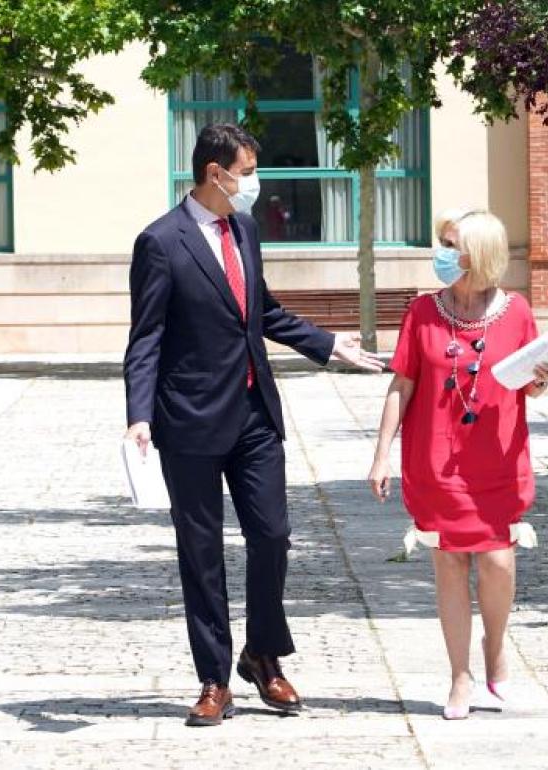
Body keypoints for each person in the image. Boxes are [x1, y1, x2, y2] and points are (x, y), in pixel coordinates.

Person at [124, 123, 383, 727]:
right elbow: (147, 337)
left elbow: (259, 310)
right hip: (188, 421)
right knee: (202, 551)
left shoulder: (242, 228)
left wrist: (328, 344)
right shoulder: (160, 242)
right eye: (245, 171)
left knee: (272, 535)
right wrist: (139, 414)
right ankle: (214, 678)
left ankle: (262, 654)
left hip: (254, 414)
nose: (253, 184)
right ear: (216, 174)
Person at [367, 209, 548, 720]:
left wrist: (542, 379)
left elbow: (531, 386)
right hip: (435, 463)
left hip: (497, 460)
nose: (443, 252)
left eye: (452, 244)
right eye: (443, 243)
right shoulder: (422, 312)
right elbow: (401, 384)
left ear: (482, 254)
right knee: (449, 565)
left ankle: (496, 652)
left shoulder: (517, 312)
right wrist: (381, 453)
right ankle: (460, 676)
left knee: (498, 561)